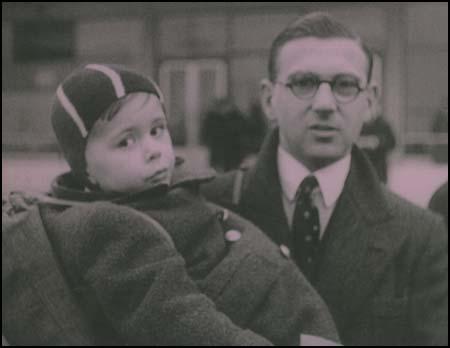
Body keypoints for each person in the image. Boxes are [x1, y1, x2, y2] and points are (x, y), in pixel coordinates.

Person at [3, 64, 340, 346]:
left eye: (157, 129)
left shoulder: (159, 193)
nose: (152, 149)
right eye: (126, 141)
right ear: (85, 167)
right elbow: (179, 324)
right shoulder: (107, 226)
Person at [202, 12, 448, 346]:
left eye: (345, 85)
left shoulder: (419, 237)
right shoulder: (208, 207)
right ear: (268, 100)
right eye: (303, 83)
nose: (324, 104)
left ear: (371, 100)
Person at [357, 113, 396, 183]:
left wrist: (378, 141)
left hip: (379, 170)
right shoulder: (358, 125)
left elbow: (392, 143)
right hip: (361, 171)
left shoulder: (383, 125)